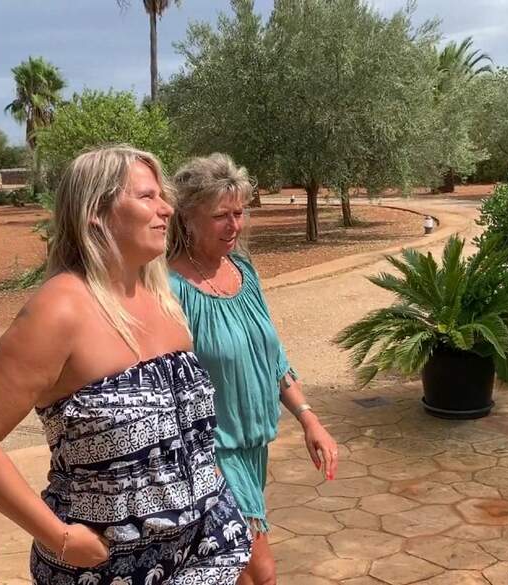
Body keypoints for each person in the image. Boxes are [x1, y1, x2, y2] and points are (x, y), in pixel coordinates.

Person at [0, 145, 251, 585]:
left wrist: (221, 506)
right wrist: (59, 537)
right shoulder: (60, 310)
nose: (167, 208)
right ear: (95, 213)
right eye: (147, 197)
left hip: (206, 552)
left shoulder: (162, 299)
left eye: (163, 196)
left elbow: (190, 435)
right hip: (111, 569)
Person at [167, 154, 338, 585]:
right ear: (187, 217)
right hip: (210, 452)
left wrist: (309, 418)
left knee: (230, 571)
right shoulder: (169, 288)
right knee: (260, 572)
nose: (234, 225)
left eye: (239, 213)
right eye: (220, 216)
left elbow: (272, 356)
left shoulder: (243, 270)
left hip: (252, 446)